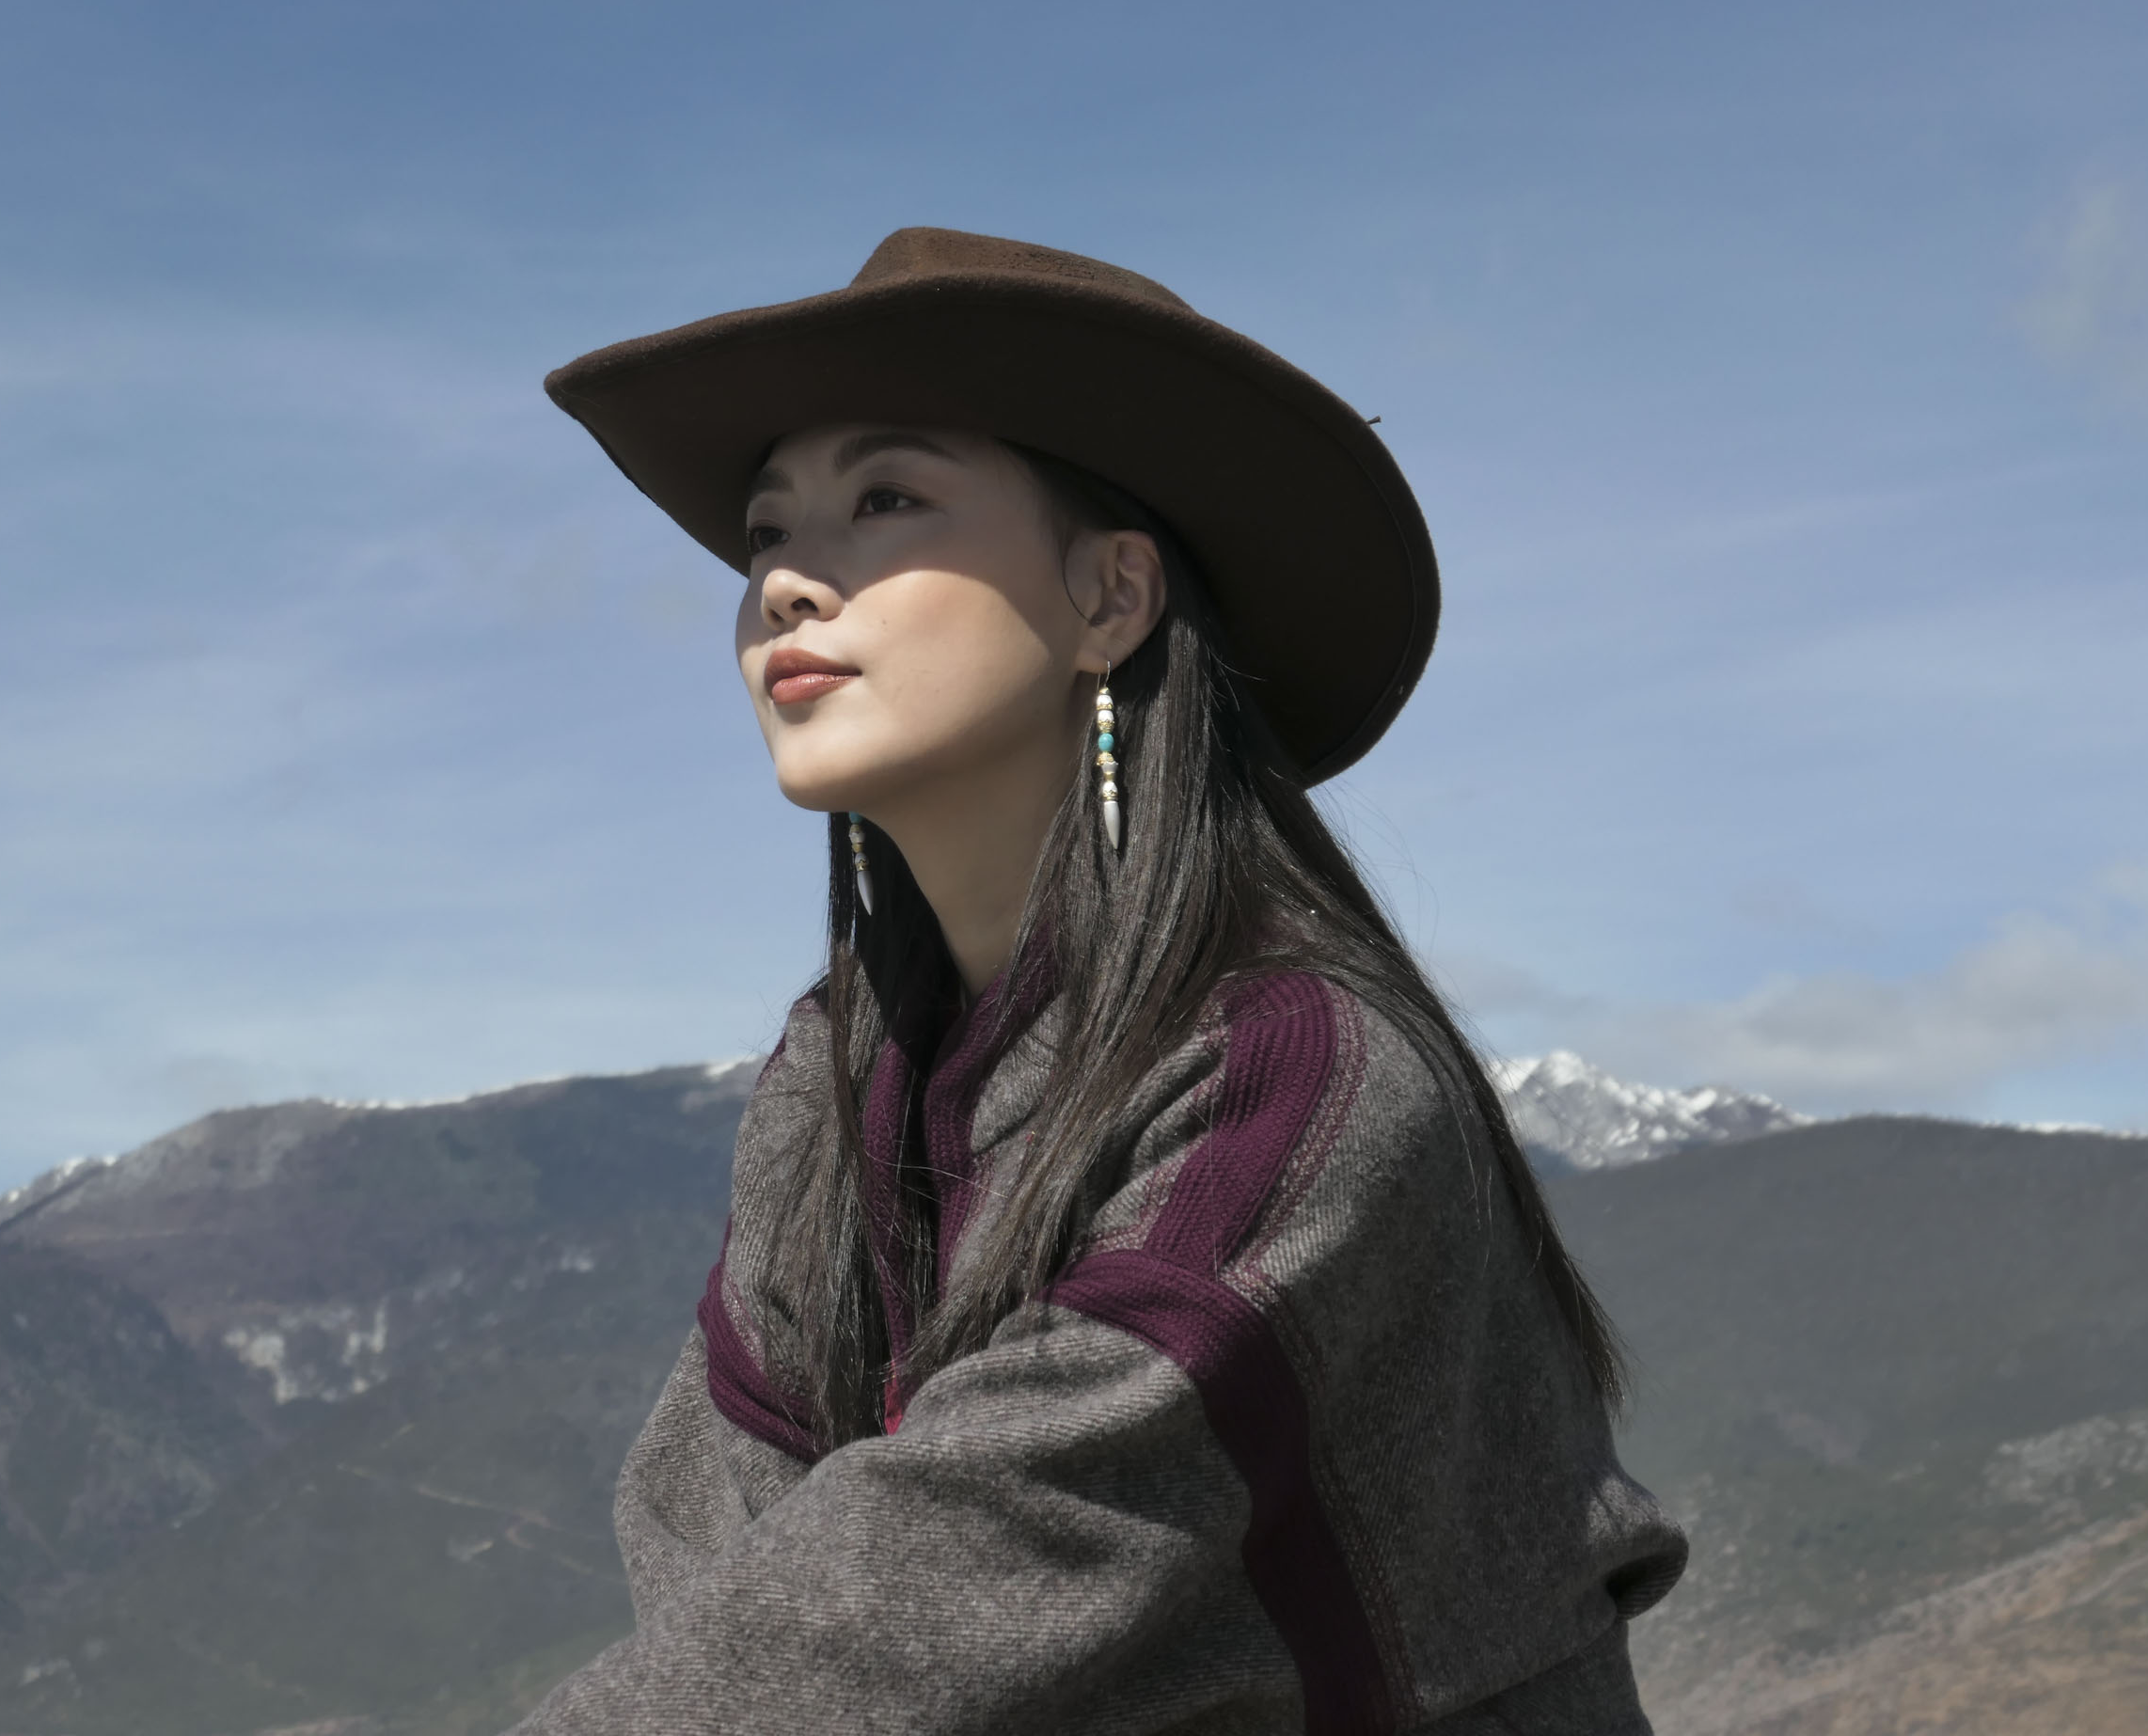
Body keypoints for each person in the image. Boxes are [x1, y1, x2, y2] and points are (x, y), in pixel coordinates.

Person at [515, 229, 1685, 1733]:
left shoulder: (1298, 1075)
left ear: (1111, 596)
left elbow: (959, 1570)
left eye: (885, 499)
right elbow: (718, 1552)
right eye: (765, 533)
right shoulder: (832, 1086)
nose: (788, 584)